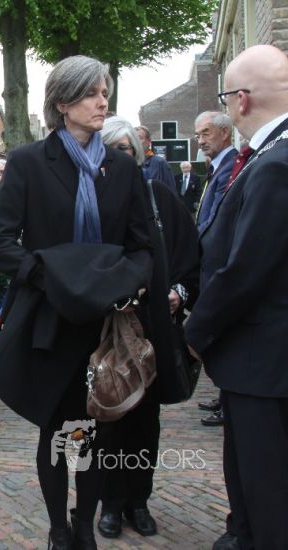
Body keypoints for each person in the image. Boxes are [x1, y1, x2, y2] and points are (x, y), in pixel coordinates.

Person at [0, 55, 153, 550]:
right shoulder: (29, 162)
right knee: (57, 430)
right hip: (51, 320)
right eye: (91, 93)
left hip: (105, 323)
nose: (103, 102)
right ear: (62, 103)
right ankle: (59, 528)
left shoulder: (122, 168)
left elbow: (143, 245)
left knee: (98, 431)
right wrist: (51, 276)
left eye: (105, 92)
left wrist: (123, 285)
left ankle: (85, 526)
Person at [185, 44, 288, 550]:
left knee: (264, 477)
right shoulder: (271, 156)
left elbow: (245, 269)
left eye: (226, 98)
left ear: (241, 100)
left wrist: (196, 331)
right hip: (261, 355)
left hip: (262, 357)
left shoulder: (274, 164)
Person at [97, 116, 199, 540]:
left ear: (136, 154)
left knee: (145, 420)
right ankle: (109, 502)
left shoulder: (159, 197)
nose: (119, 157)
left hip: (151, 326)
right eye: (111, 149)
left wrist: (178, 291)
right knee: (108, 416)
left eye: (125, 149)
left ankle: (138, 500)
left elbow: (190, 254)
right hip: (105, 329)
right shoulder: (91, 199)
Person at [192, 111, 238, 428]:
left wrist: (195, 243)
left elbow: (217, 218)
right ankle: (223, 397)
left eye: (206, 133)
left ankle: (227, 400)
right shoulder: (217, 166)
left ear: (224, 132)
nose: (200, 140)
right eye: (198, 135)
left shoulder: (232, 166)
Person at [135, 125, 176, 192]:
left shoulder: (160, 164)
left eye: (139, 138)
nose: (136, 141)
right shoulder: (127, 164)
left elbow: (170, 193)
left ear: (149, 141)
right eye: (133, 139)